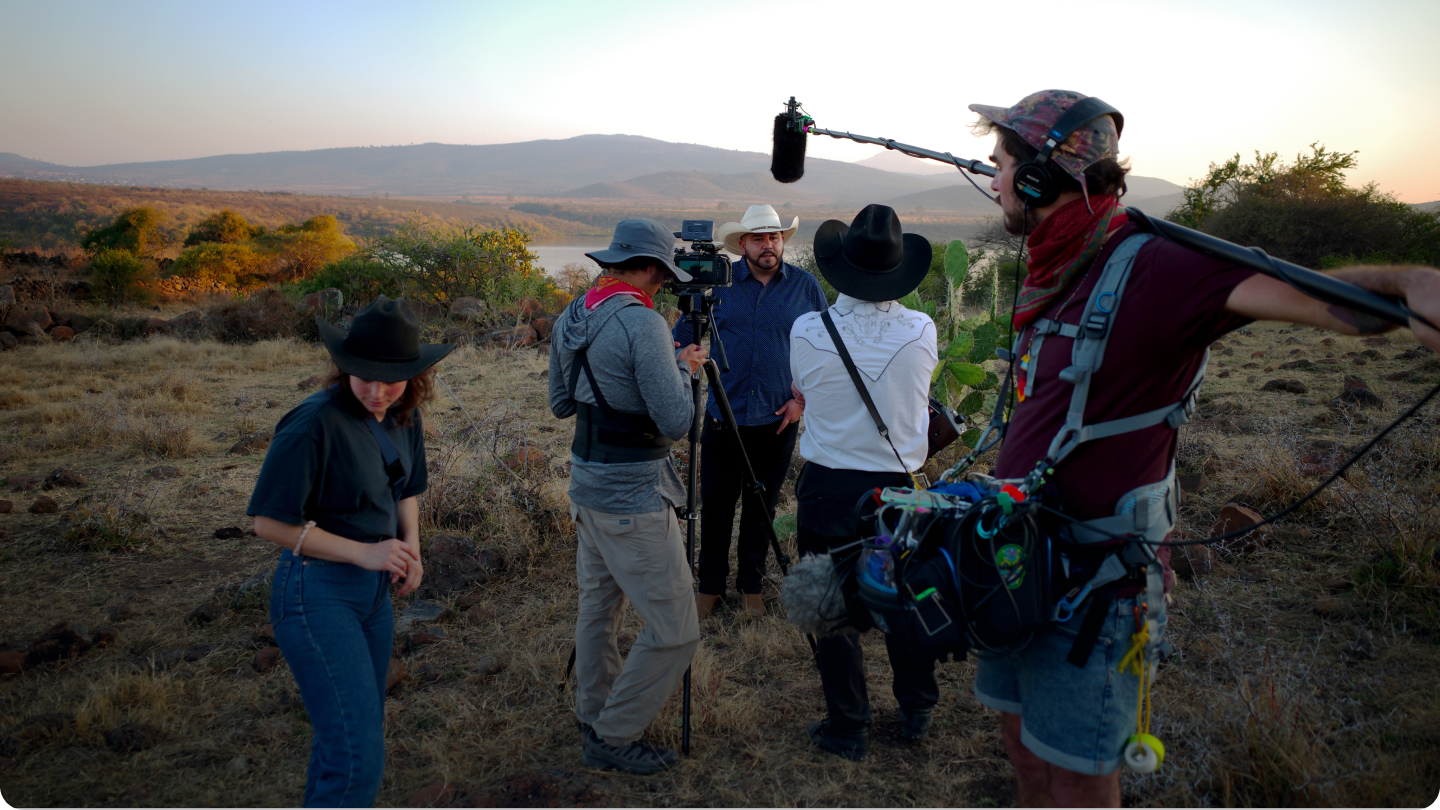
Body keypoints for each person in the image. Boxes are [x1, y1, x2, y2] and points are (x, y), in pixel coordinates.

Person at [967, 89, 1440, 808]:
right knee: (1023, 750)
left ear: (1039, 178)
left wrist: (1414, 284)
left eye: (999, 166)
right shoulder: (1054, 264)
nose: (992, 179)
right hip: (1016, 563)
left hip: (1094, 587)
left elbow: (1317, 300)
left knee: (1079, 775)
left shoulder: (1157, 266)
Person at [248, 295, 451, 808]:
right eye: (365, 376)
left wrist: (411, 550)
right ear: (343, 367)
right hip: (317, 591)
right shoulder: (312, 422)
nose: (378, 391)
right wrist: (364, 554)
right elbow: (268, 523)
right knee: (358, 757)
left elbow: (406, 489)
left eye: (391, 378)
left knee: (347, 737)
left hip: (373, 596)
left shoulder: (405, 416)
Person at [548, 218, 709, 774]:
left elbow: (561, 405)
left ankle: (593, 712)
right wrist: (684, 370)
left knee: (599, 610)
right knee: (676, 630)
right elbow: (677, 420)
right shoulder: (643, 323)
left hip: (587, 486)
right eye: (661, 275)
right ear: (647, 269)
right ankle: (613, 736)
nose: (663, 285)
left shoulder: (575, 312)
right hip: (632, 496)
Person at [788, 204, 941, 760]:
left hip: (829, 486)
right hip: (900, 487)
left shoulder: (806, 328)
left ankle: (848, 725)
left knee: (830, 609)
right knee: (906, 599)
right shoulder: (922, 328)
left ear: (841, 265)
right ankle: (917, 707)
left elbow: (802, 386)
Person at [673, 204, 827, 620]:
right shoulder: (717, 286)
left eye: (774, 237)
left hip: (778, 421)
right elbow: (680, 338)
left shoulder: (805, 288)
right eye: (758, 238)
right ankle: (710, 588)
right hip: (724, 417)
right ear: (743, 244)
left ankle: (751, 587)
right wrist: (685, 354)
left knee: (762, 509)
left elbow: (825, 350)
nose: (767, 245)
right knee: (717, 507)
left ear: (783, 242)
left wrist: (802, 402)